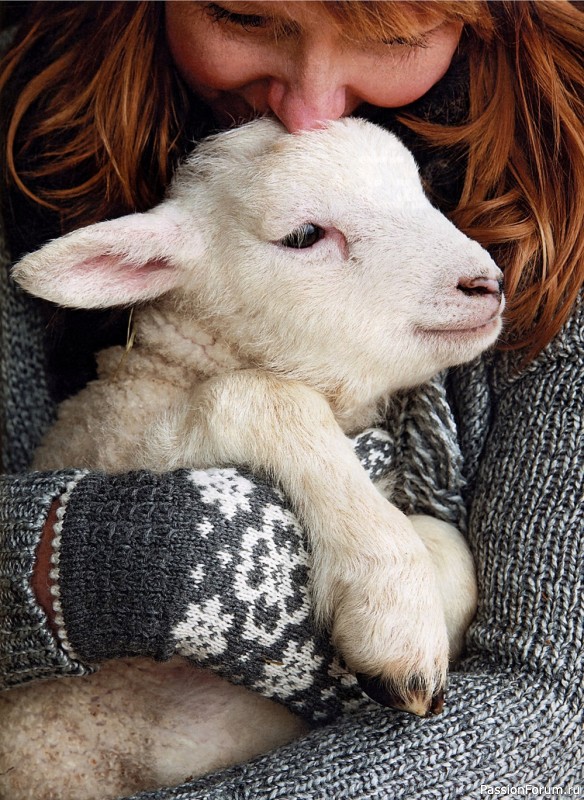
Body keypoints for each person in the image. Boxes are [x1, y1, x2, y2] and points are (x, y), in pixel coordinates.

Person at [0, 1, 582, 798]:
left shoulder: (559, 213)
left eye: (392, 37)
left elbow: (548, 705)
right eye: (241, 13)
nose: (309, 108)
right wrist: (102, 557)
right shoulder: (29, 128)